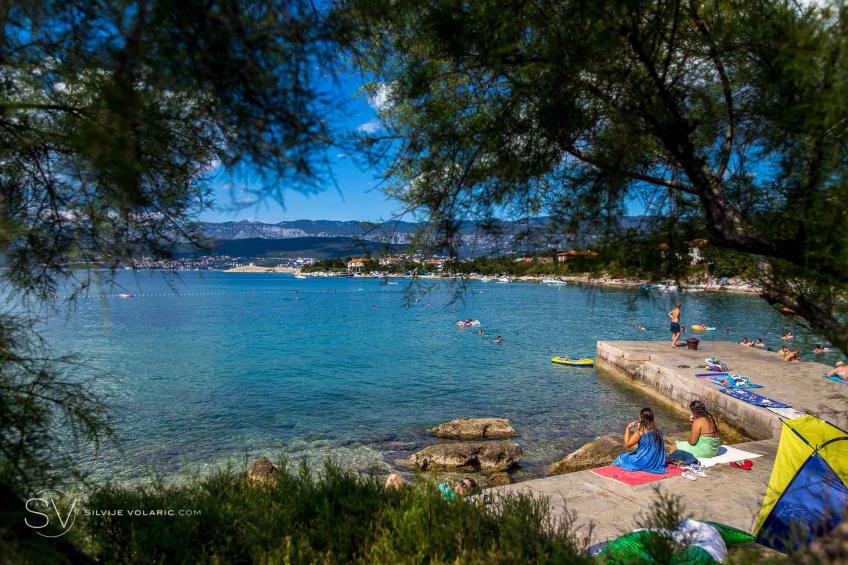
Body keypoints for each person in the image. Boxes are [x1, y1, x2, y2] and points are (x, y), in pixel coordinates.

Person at [611, 408, 667, 474]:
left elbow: (627, 444)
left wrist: (628, 428)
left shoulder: (640, 432)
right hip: (656, 462)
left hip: (643, 462)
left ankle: (611, 468)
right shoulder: (658, 431)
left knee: (622, 457)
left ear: (641, 417)